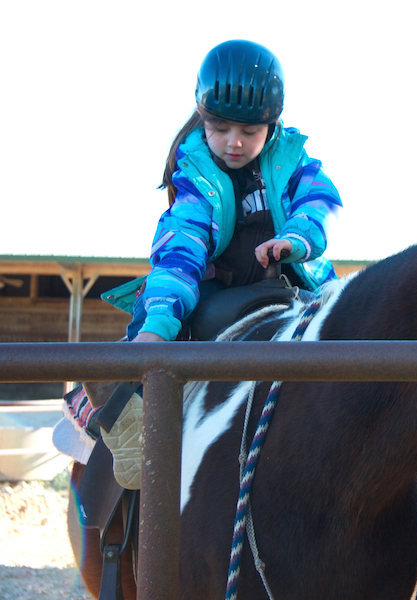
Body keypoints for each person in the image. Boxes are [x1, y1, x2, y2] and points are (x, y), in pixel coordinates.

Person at [76, 39, 342, 490]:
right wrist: (155, 329)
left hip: (292, 280)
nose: (233, 143)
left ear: (272, 125)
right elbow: (182, 247)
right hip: (214, 285)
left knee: (356, 335)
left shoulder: (294, 158)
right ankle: (136, 419)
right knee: (166, 320)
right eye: (220, 128)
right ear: (203, 118)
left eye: (249, 132)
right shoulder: (196, 174)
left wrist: (295, 239)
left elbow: (319, 201)